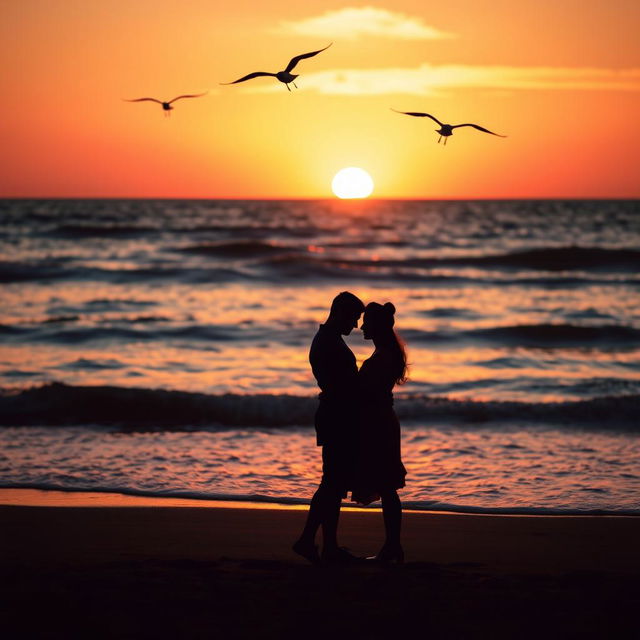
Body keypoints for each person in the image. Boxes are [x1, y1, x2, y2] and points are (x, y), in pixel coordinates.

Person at [293, 291, 365, 565]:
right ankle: (310, 541)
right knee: (332, 484)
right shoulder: (328, 343)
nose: (356, 325)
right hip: (338, 417)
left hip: (335, 414)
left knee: (333, 484)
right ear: (340, 313)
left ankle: (326, 545)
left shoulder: (327, 339)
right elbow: (345, 387)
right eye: (354, 318)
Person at [351, 301, 408, 564]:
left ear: (377, 326)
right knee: (387, 486)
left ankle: (393, 547)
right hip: (382, 420)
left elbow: (369, 393)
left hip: (379, 423)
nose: (361, 326)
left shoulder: (383, 356)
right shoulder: (387, 352)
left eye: (367, 322)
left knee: (387, 486)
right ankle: (392, 546)